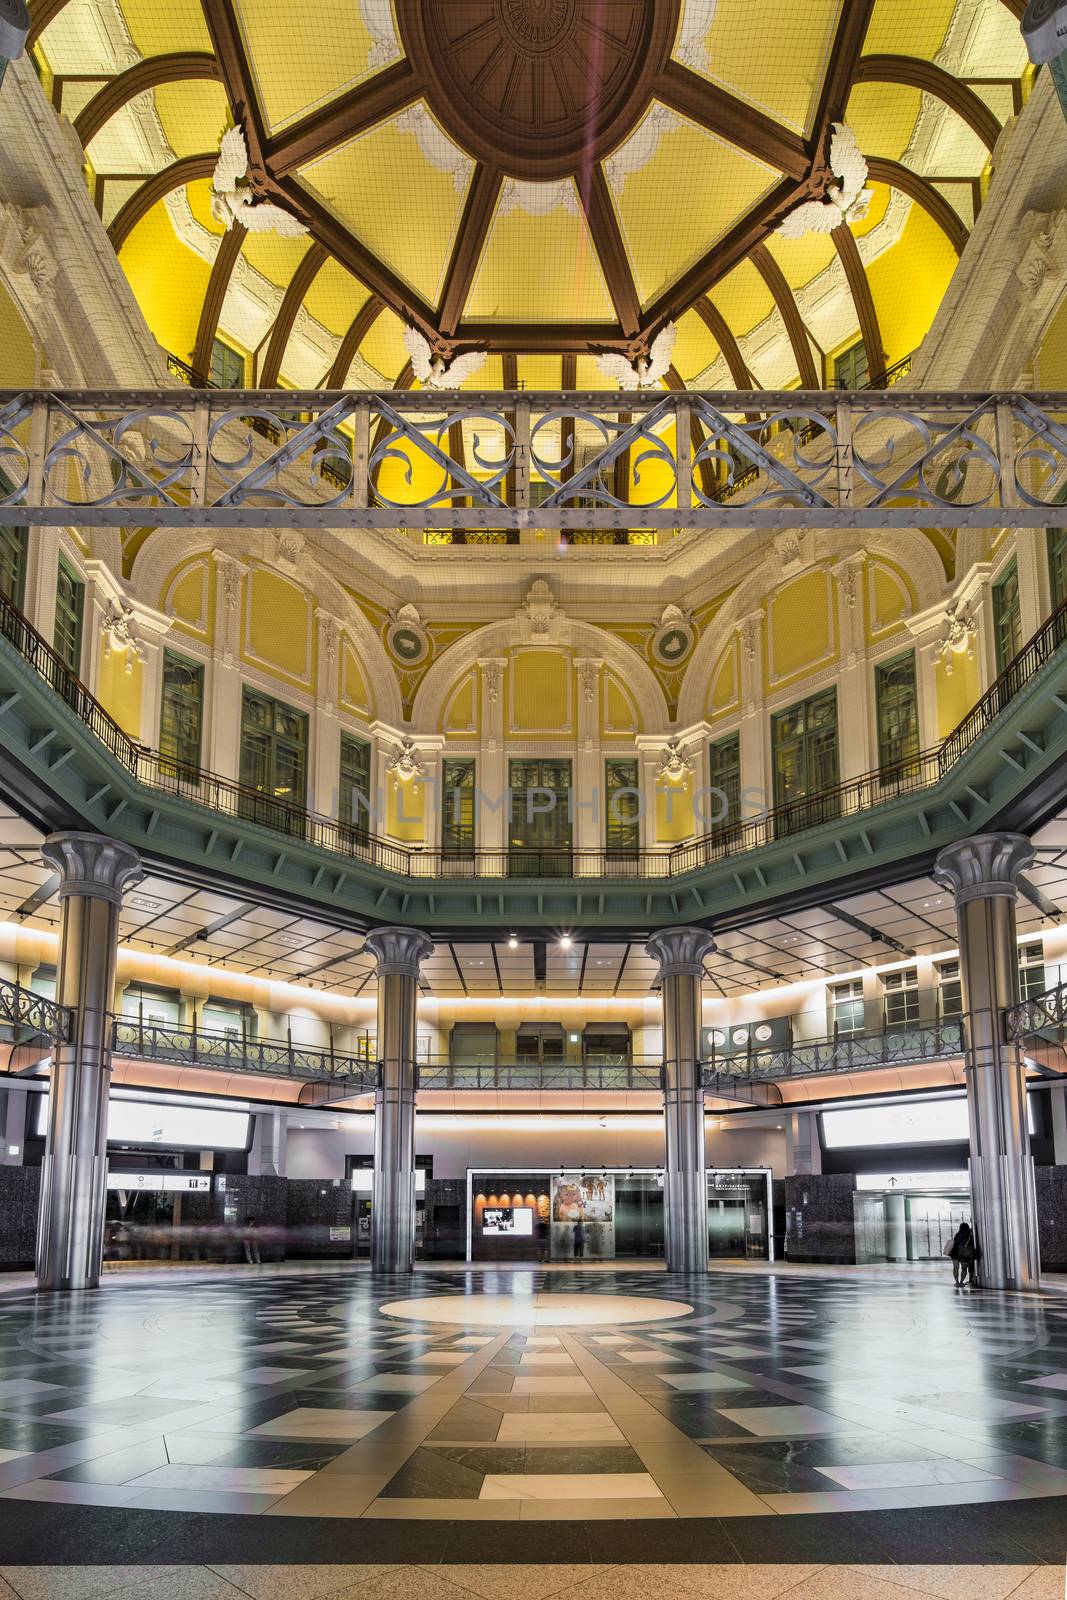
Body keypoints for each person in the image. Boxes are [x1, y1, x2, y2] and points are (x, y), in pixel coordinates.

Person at [947, 1221, 980, 1287]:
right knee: (964, 1269)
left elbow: (955, 1243)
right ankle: (961, 1282)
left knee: (956, 1268)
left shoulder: (957, 1234)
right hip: (964, 1255)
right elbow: (971, 1245)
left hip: (955, 1253)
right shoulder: (969, 1236)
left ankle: (957, 1282)